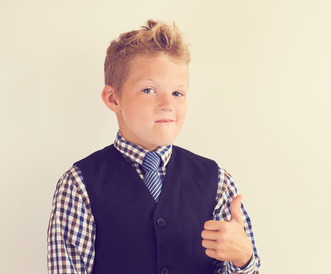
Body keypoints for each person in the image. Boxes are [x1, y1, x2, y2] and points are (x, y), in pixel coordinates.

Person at [47, 19, 261, 274]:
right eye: (149, 90)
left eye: (177, 93)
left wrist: (243, 260)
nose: (167, 104)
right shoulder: (79, 184)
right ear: (113, 98)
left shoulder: (218, 182)